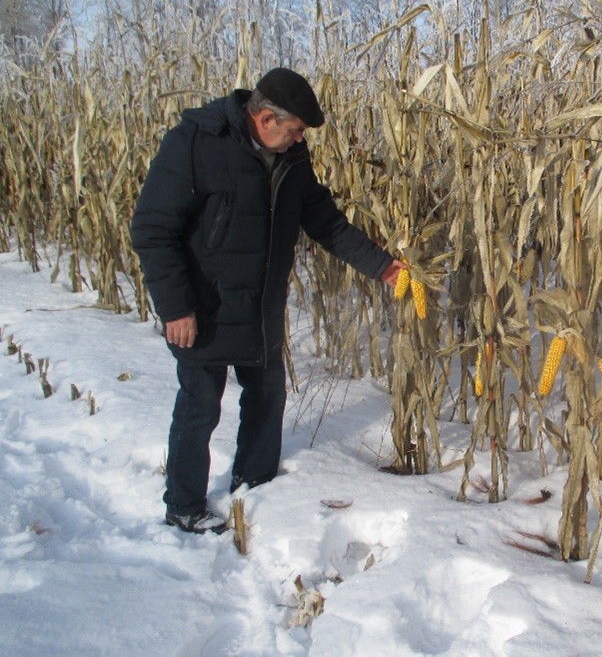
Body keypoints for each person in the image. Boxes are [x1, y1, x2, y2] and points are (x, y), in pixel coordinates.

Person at [131, 67, 404, 534]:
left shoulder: (292, 159)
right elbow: (152, 229)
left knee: (267, 397)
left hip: (261, 305)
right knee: (200, 406)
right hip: (203, 307)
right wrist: (175, 306)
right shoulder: (195, 143)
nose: (301, 140)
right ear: (263, 118)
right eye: (295, 129)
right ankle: (184, 505)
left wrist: (383, 267)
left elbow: (327, 222)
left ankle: (255, 484)